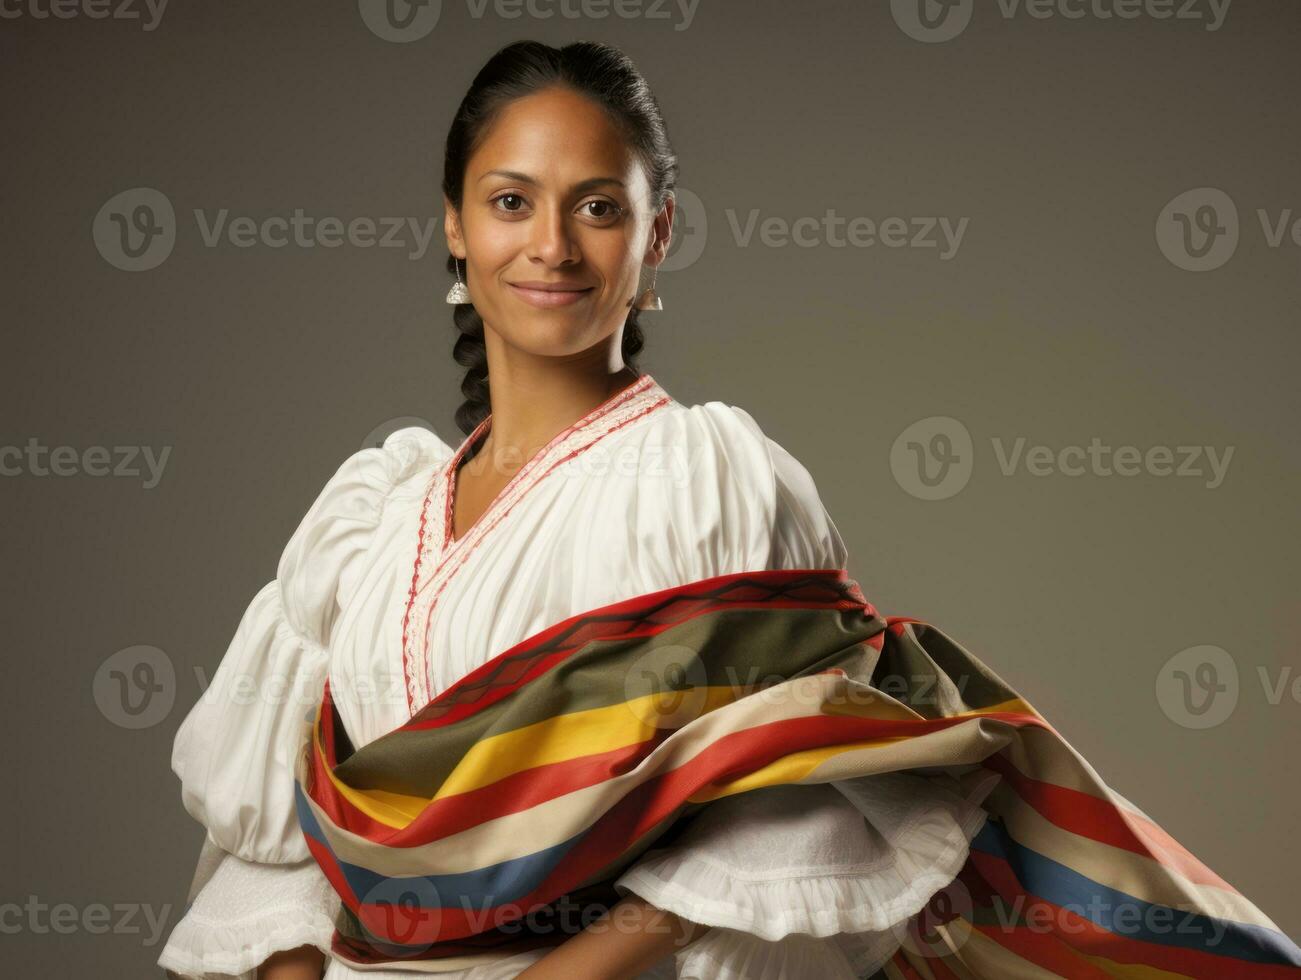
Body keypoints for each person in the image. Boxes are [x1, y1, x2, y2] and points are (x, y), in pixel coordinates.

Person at [159, 40, 1301, 980]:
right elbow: (277, 831)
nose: (550, 244)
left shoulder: (702, 484)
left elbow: (783, 794)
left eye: (596, 206)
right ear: (455, 227)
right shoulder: (371, 515)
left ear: (654, 238)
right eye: (511, 201)